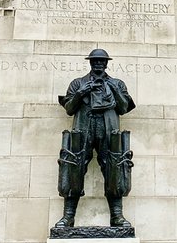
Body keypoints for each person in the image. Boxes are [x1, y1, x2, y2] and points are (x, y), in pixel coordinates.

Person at [55, 49, 135, 228]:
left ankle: (117, 216)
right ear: (90, 63)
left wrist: (114, 89)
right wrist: (81, 92)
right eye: (95, 61)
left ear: (107, 63)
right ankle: (68, 217)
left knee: (115, 168)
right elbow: (69, 109)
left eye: (102, 61)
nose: (98, 63)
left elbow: (123, 108)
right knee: (73, 166)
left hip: (108, 128)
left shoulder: (117, 83)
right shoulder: (78, 83)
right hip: (84, 127)